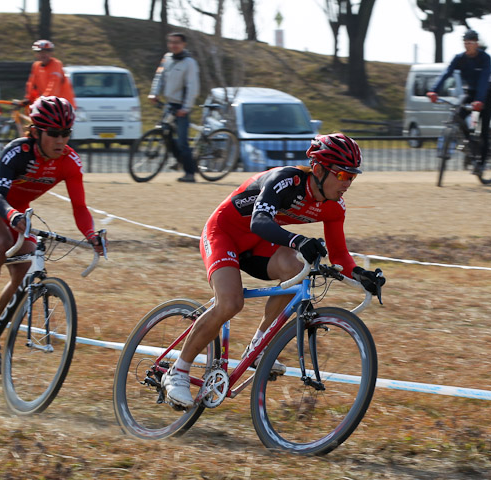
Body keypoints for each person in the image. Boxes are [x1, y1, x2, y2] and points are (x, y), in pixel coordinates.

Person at [160, 133, 386, 408]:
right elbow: (259, 222)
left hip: (257, 245)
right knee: (230, 303)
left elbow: (340, 256)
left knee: (298, 267)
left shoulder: (334, 207)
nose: (347, 183)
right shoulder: (285, 181)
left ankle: (258, 345)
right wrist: (298, 240)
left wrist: (362, 276)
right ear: (318, 169)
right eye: (341, 175)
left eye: (352, 177)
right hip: (224, 233)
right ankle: (178, 372)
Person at [0, 96, 105, 373]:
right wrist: (12, 216)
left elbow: (80, 207)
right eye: (53, 134)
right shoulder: (18, 152)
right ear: (36, 132)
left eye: (66, 134)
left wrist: (91, 235)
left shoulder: (70, 161)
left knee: (24, 271)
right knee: (1, 244)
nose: (60, 140)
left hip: (18, 212)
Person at [426, 29, 491, 174]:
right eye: (465, 43)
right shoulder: (459, 58)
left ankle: (481, 164)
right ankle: (467, 143)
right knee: (457, 115)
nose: (467, 46)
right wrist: (434, 90)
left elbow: (484, 80)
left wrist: (480, 100)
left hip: (486, 95)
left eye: (470, 43)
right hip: (470, 93)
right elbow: (446, 73)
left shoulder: (485, 58)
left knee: (483, 130)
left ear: (476, 44)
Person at [148, 32, 200, 183]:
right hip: (169, 104)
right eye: (170, 42)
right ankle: (181, 162)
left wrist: (186, 107)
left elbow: (192, 86)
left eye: (177, 42)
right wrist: (154, 93)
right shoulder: (167, 58)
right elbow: (159, 77)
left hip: (182, 106)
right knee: (166, 136)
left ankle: (190, 173)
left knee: (183, 141)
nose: (173, 45)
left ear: (183, 44)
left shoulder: (189, 62)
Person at [25, 40, 76, 108]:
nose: (43, 55)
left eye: (46, 52)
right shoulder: (36, 66)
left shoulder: (56, 64)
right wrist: (28, 98)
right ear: (36, 54)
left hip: (62, 106)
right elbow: (32, 84)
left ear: (51, 53)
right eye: (40, 52)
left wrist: (43, 99)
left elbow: (54, 85)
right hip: (48, 104)